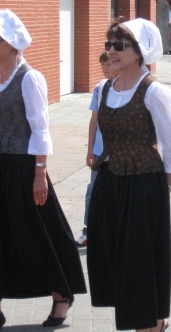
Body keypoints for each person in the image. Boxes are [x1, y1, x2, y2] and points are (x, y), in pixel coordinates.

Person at [0, 9, 87, 330]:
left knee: (36, 232)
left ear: (12, 43)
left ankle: (61, 294)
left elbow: (40, 128)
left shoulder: (29, 78)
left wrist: (40, 174)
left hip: (23, 166)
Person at [87, 19, 171, 332]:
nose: (111, 51)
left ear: (140, 52)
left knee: (140, 257)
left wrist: (162, 189)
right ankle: (149, 318)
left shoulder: (155, 91)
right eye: (109, 45)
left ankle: (149, 323)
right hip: (110, 181)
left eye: (119, 46)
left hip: (144, 183)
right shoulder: (103, 88)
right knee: (112, 254)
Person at [77, 51, 114, 246]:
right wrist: (89, 149)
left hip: (117, 153)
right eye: (103, 65)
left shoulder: (126, 88)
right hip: (100, 152)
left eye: (109, 64)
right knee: (93, 190)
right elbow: (94, 120)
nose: (106, 69)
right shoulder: (100, 89)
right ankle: (88, 229)